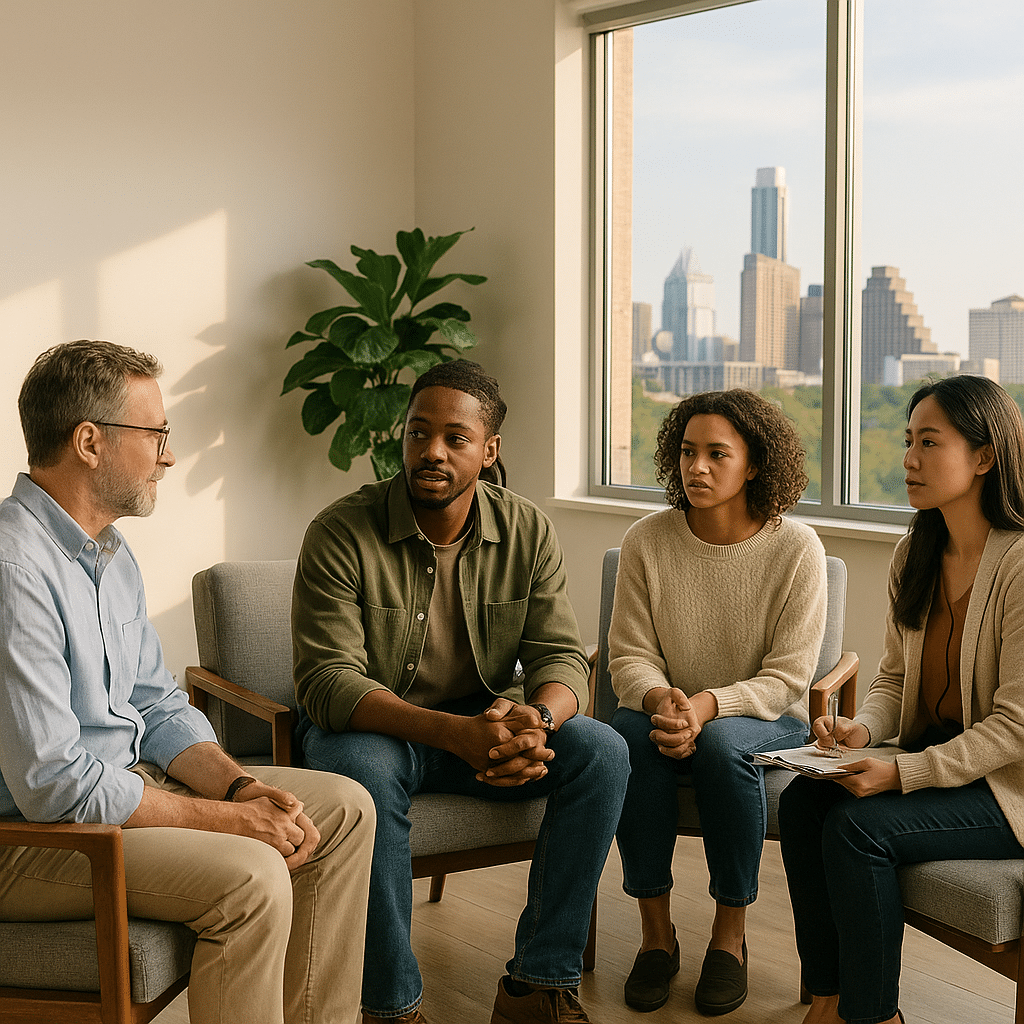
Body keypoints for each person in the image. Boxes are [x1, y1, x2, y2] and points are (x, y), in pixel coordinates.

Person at [0, 340, 375, 1024]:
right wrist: (233, 822)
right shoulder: (13, 569)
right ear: (89, 442)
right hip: (34, 837)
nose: (168, 456)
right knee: (253, 875)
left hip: (122, 791)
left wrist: (240, 787)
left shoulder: (108, 553)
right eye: (156, 433)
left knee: (345, 808)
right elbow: (54, 785)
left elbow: (157, 705)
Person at [291, 359, 630, 1024]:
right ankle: (390, 1008)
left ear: (489, 450)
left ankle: (537, 987)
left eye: (455, 438)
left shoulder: (526, 529)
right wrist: (457, 734)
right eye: (419, 433)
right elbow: (327, 681)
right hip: (377, 731)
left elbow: (561, 655)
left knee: (604, 752)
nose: (432, 452)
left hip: (486, 722)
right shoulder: (341, 530)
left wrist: (537, 718)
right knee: (360, 772)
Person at [778, 374, 1024, 1024]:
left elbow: (1016, 727)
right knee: (803, 802)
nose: (909, 458)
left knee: (858, 829)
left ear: (984, 456)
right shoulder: (915, 551)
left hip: (1010, 788)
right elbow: (892, 679)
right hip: (938, 766)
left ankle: (874, 1016)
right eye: (908, 440)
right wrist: (861, 730)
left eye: (929, 442)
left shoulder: (1022, 564)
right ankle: (828, 999)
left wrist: (901, 773)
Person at [608, 389, 827, 1016]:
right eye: (686, 452)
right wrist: (661, 700)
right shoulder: (647, 540)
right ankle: (656, 936)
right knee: (627, 739)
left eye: (716, 454)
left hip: (763, 719)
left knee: (724, 747)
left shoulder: (796, 548)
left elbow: (788, 678)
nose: (695, 467)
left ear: (754, 464)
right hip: (667, 710)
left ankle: (729, 938)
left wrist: (706, 706)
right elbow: (628, 656)